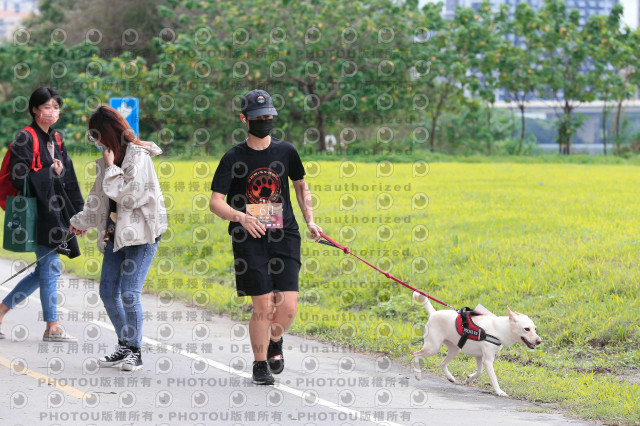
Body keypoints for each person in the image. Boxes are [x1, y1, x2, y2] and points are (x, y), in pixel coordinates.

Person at [209, 89, 322, 385]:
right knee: (263, 306)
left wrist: (310, 221)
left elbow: (301, 186)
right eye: (258, 117)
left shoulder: (287, 151)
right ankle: (260, 364)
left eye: (268, 116)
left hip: (285, 235)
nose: (264, 121)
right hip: (249, 238)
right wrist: (242, 217)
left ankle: (274, 340)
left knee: (287, 307)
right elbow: (215, 202)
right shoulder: (233, 157)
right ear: (244, 119)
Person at [68, 105, 167, 371]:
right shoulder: (106, 160)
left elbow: (130, 197)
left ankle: (136, 351)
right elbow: (97, 199)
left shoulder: (138, 157)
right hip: (115, 235)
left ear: (109, 133)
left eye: (96, 136)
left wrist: (112, 168)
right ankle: (125, 344)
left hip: (142, 235)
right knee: (108, 292)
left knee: (129, 294)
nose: (96, 142)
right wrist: (79, 223)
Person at [0, 87, 84, 342]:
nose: (52, 112)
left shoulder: (56, 139)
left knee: (44, 269)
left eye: (56, 107)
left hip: (54, 212)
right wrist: (50, 173)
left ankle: (1, 312)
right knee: (50, 266)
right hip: (37, 213)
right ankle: (52, 326)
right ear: (35, 110)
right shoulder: (26, 138)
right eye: (47, 107)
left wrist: (81, 215)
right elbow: (19, 178)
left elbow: (69, 178)